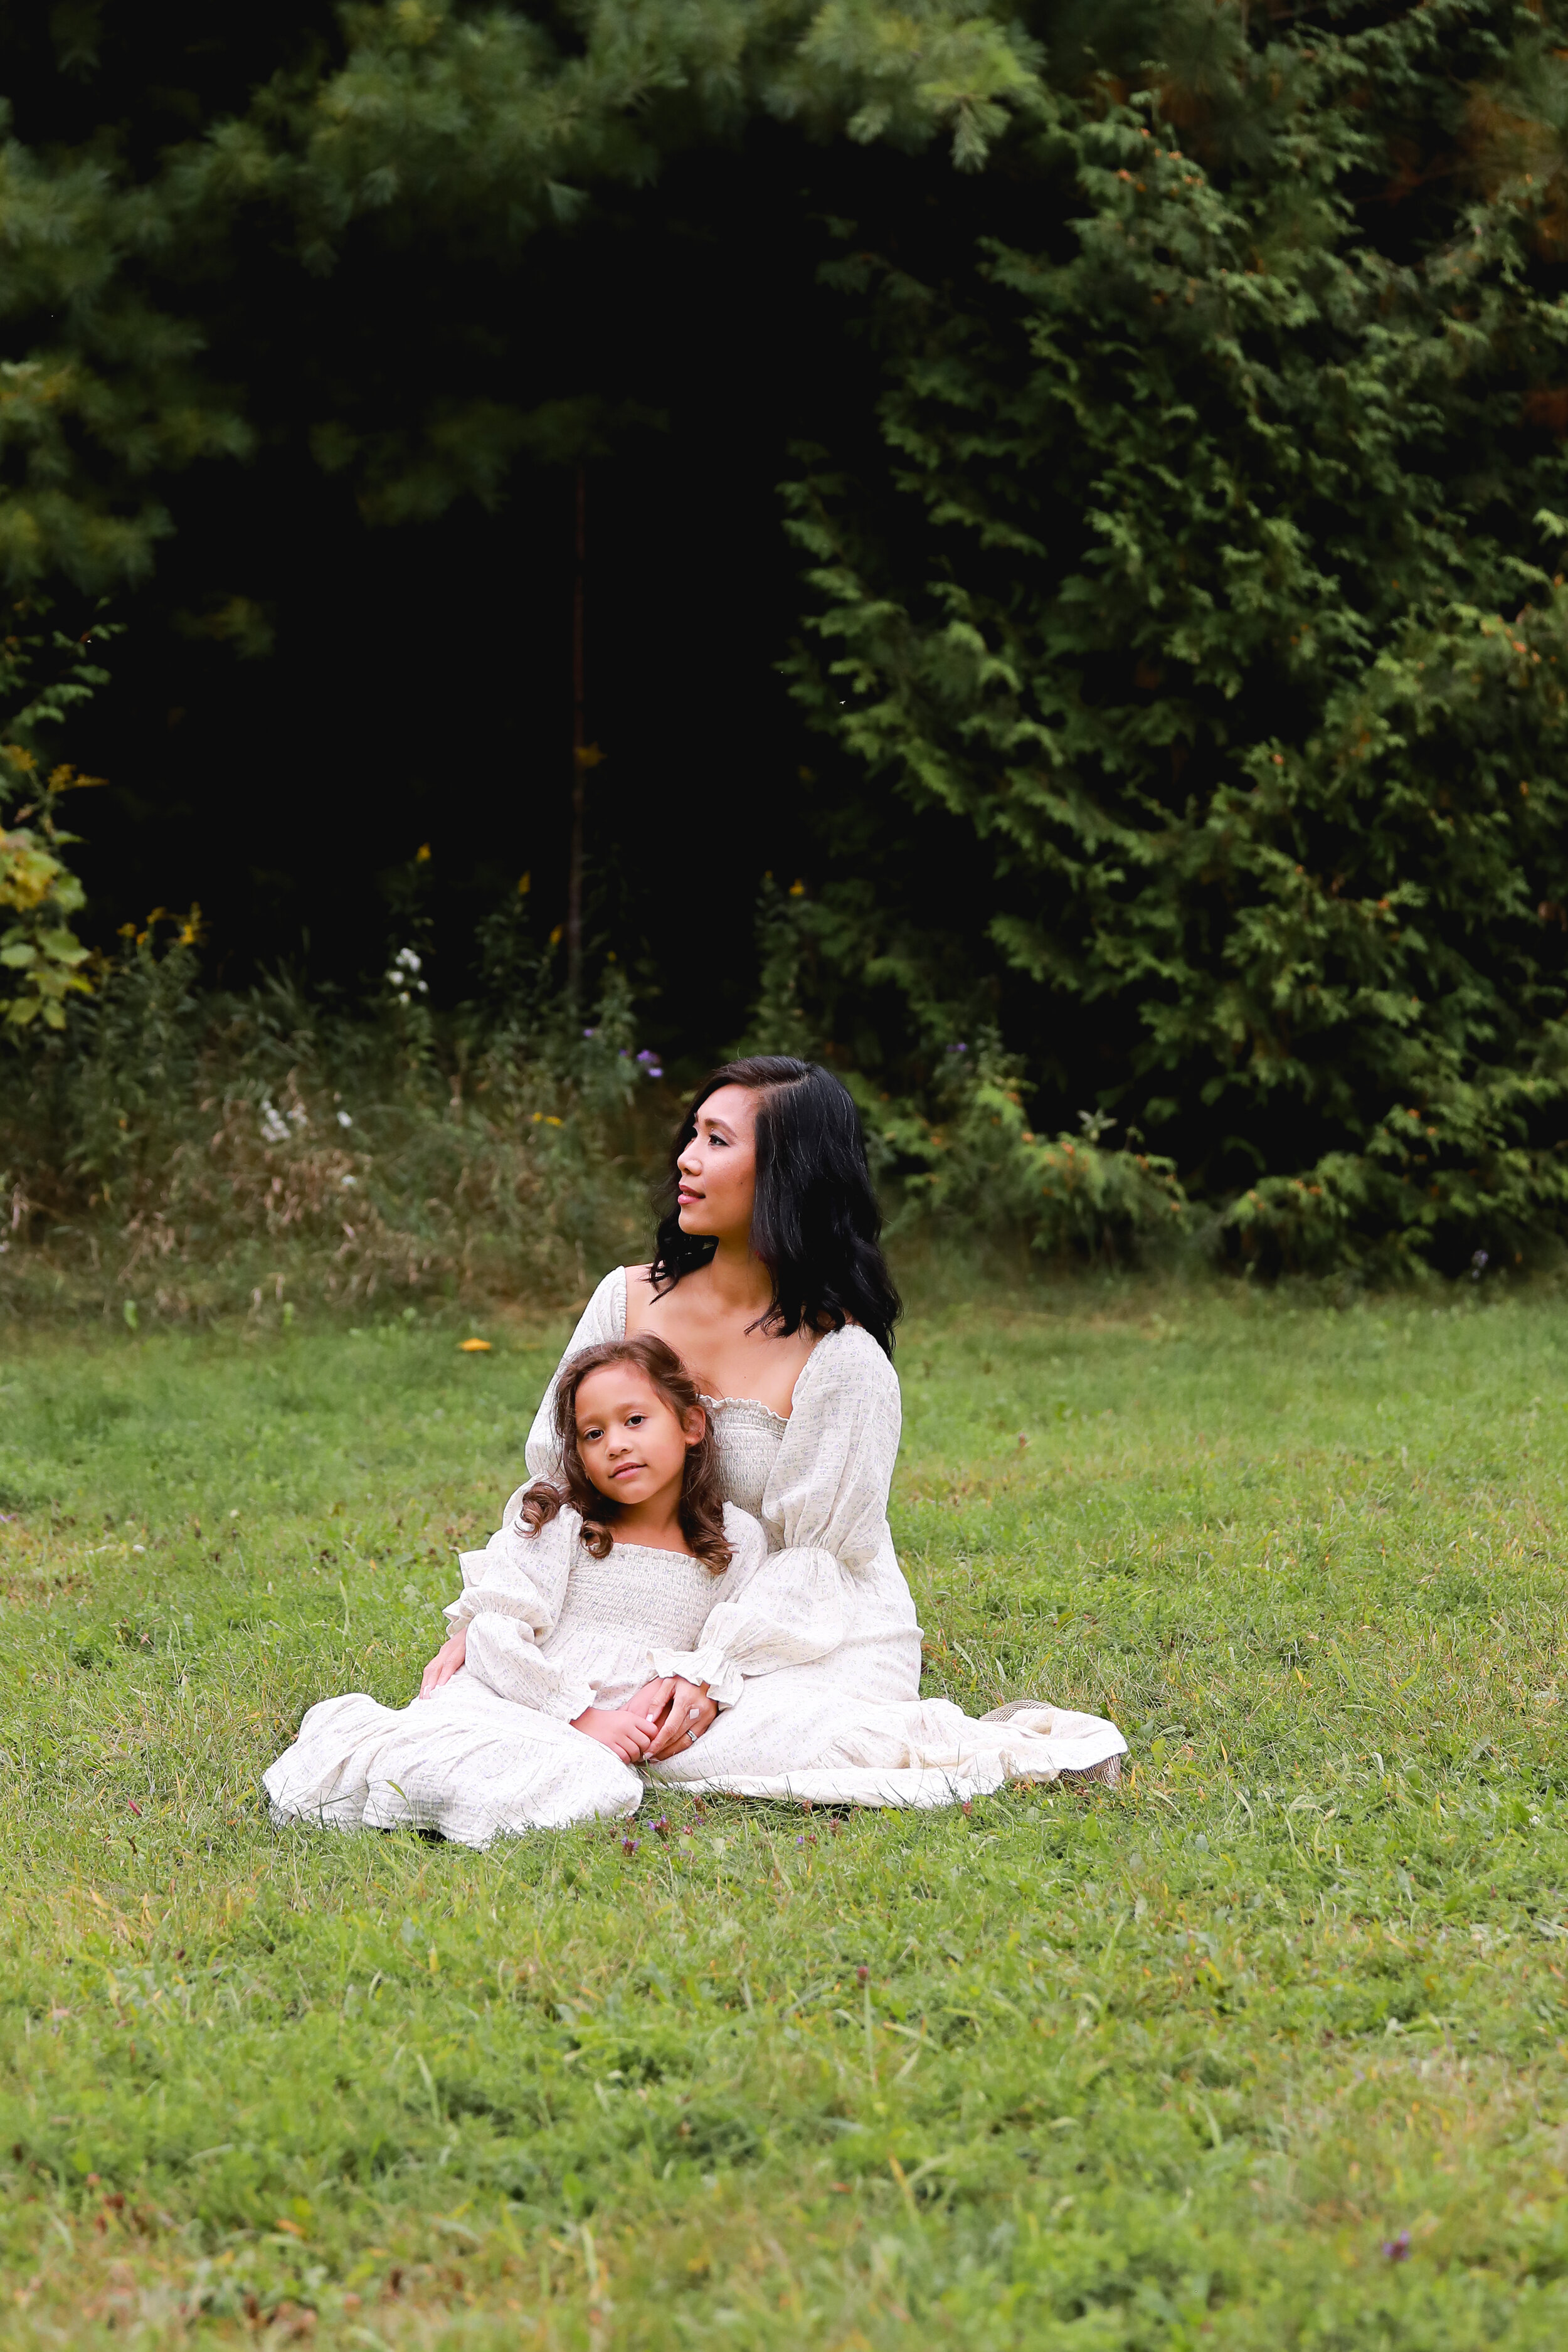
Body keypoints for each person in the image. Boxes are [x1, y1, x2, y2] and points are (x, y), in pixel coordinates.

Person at [423, 1057, 1126, 1806]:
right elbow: (559, 1478)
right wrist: (492, 1614)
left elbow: (818, 1557)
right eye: (693, 1134)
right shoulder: (625, 1300)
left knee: (732, 1742)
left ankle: (991, 1749)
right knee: (507, 1704)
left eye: (717, 1141)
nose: (687, 1159)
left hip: (805, 1625)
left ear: (787, 1175)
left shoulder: (843, 1360)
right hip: (638, 1601)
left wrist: (713, 1670)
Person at [263, 1336, 766, 1847]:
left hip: (611, 1733)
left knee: (599, 1783)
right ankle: (426, 1785)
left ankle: (455, 1799)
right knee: (435, 1755)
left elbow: (733, 1638)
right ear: (579, 1454)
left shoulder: (735, 1539)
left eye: (635, 1420)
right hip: (517, 1694)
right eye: (594, 1434)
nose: (615, 1444)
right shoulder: (565, 1522)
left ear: (691, 1425)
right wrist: (581, 1715)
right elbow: (495, 1631)